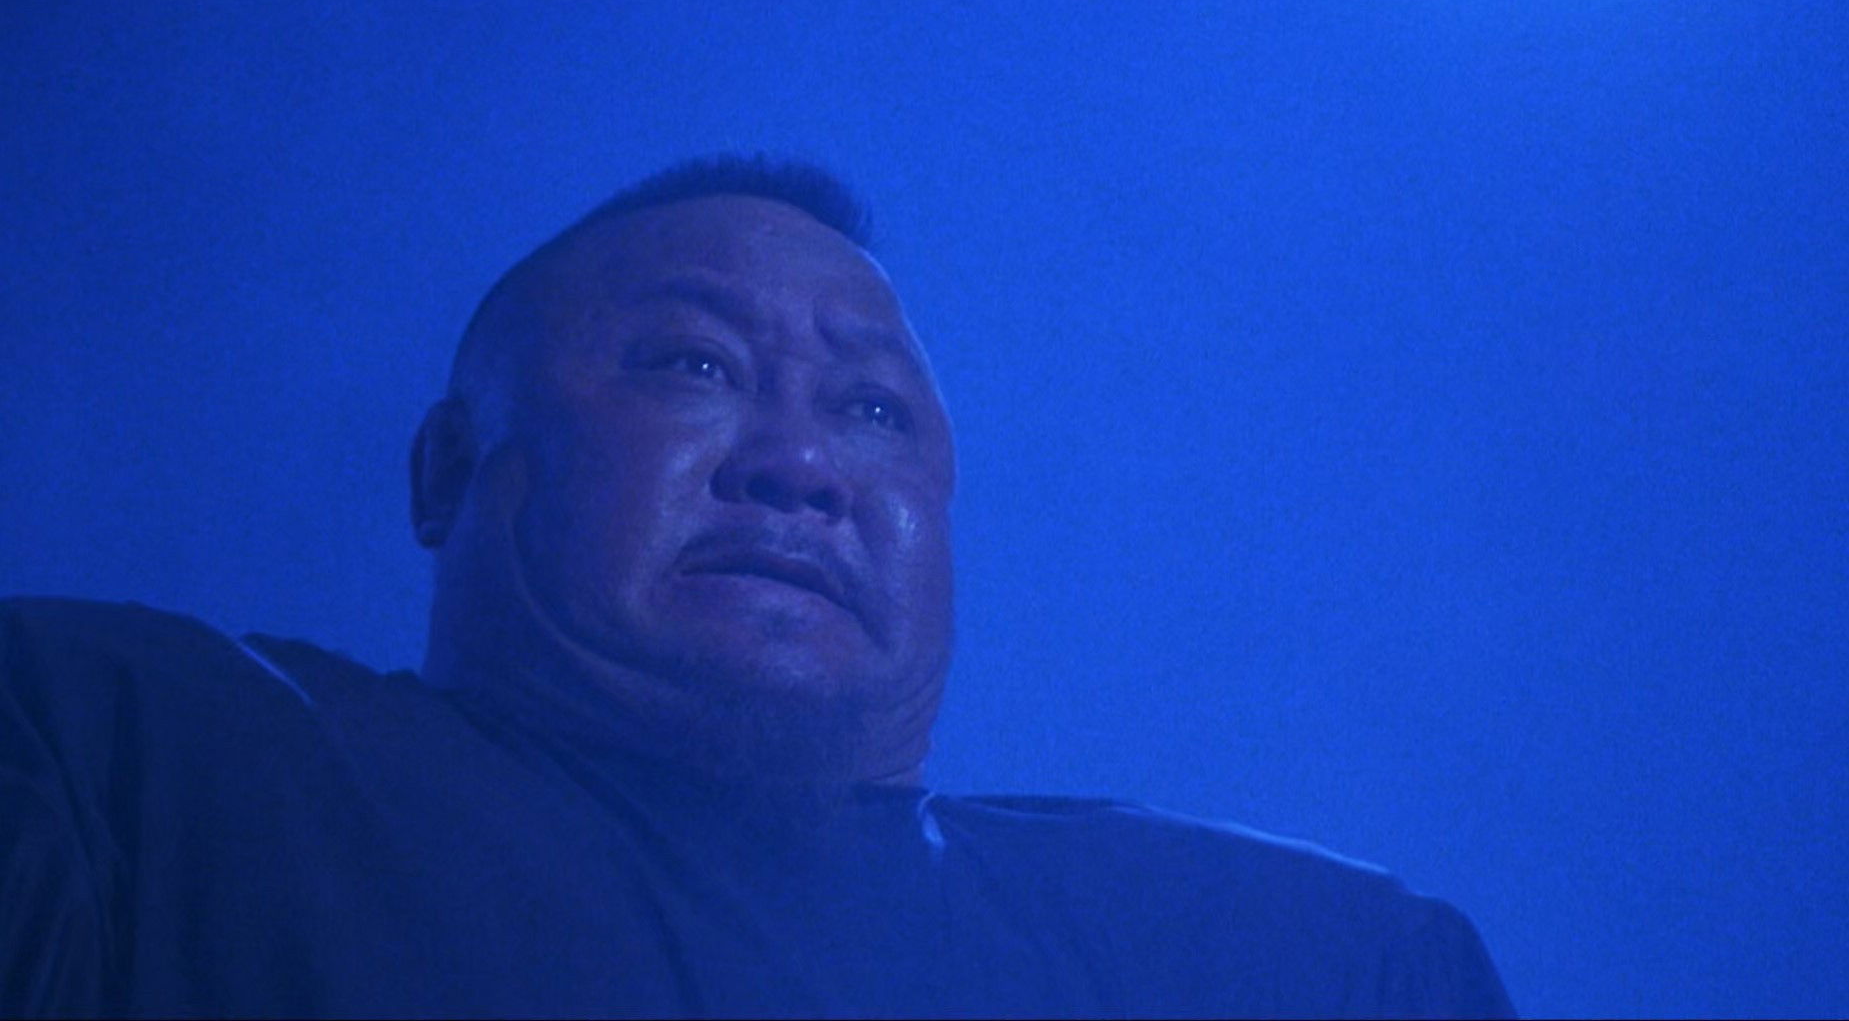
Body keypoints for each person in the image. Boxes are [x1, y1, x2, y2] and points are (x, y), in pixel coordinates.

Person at [0, 156, 1516, 1019]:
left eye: (875, 410)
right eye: (694, 365)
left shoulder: (1307, 965)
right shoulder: (112, 765)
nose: (803, 465)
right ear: (447, 470)